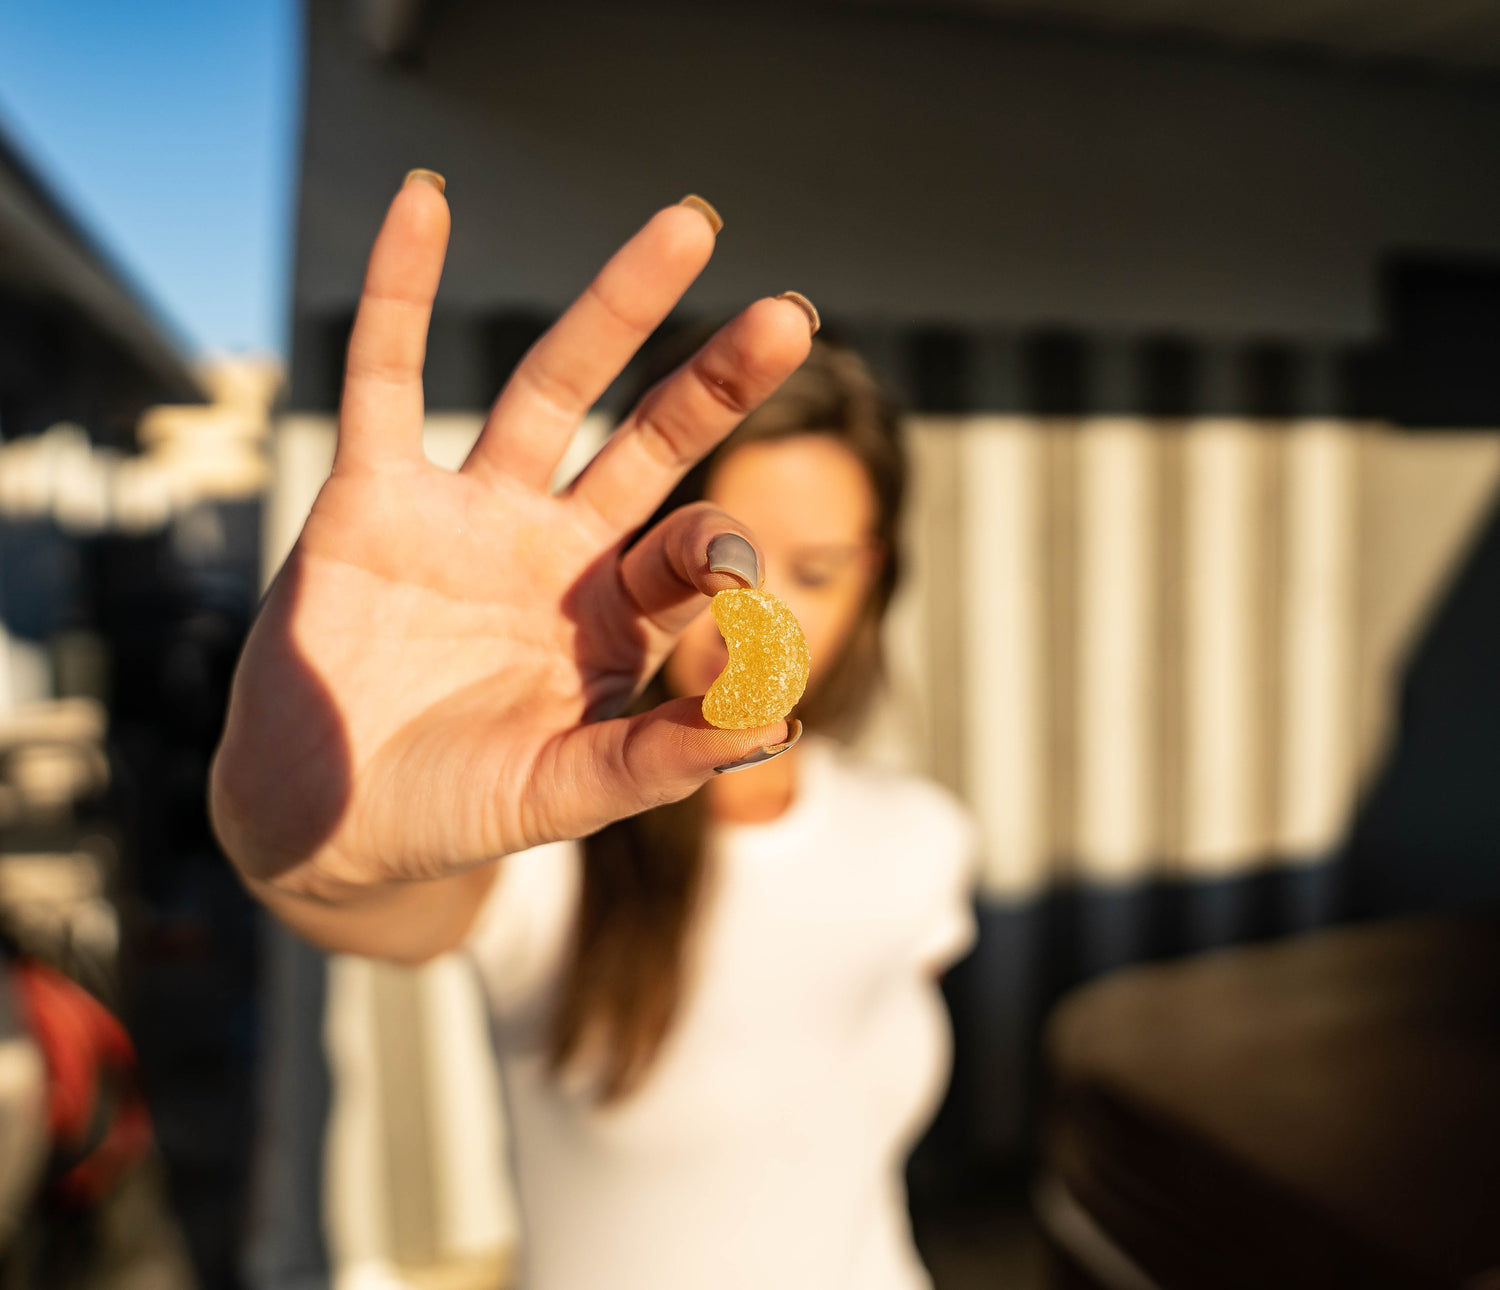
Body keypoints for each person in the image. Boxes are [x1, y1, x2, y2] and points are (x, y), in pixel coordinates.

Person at [212, 171, 976, 1289]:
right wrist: (296, 835)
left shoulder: (920, 837)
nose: (752, 613)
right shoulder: (546, 843)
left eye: (814, 572)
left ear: (882, 583)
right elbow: (381, 896)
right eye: (725, 557)